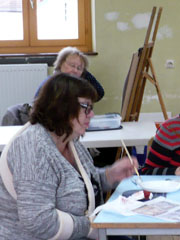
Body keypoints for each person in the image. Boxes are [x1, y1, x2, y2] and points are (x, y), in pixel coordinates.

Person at [0, 73, 137, 239]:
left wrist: (110, 175)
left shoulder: (69, 139)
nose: (92, 114)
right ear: (62, 107)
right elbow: (39, 223)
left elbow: (80, 186)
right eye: (86, 107)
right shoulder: (33, 147)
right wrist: (93, 226)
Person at [35, 46, 105, 101]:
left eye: (79, 68)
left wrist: (82, 71)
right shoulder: (52, 84)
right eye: (72, 65)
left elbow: (99, 93)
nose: (75, 70)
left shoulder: (76, 84)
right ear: (60, 63)